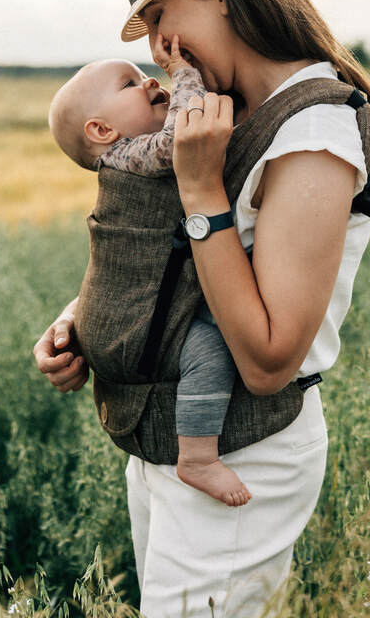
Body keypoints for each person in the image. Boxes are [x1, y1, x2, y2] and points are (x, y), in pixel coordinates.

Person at [33, 0, 370, 617]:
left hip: (240, 452)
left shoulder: (314, 129)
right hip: (160, 444)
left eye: (163, 19)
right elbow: (170, 254)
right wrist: (84, 317)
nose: (163, 54)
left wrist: (203, 190)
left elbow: (266, 358)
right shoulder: (228, 110)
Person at [47, 36, 251, 507]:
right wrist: (185, 73)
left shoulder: (125, 157)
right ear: (102, 131)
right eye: (130, 83)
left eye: (144, 76)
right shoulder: (130, 157)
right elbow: (179, 139)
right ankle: (198, 456)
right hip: (134, 331)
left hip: (115, 319)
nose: (149, 81)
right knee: (212, 347)